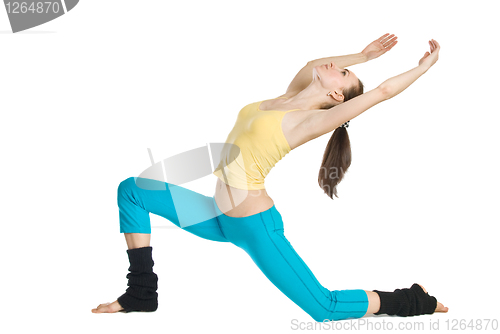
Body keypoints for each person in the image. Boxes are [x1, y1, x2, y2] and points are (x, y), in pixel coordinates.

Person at [92, 34, 448, 321]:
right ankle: (141, 291)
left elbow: (382, 92)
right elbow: (311, 64)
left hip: (253, 225)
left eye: (342, 73)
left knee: (323, 307)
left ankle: (411, 300)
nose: (334, 67)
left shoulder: (309, 122)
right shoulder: (285, 98)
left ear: (337, 96)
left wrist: (425, 67)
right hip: (215, 215)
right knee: (132, 190)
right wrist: (362, 57)